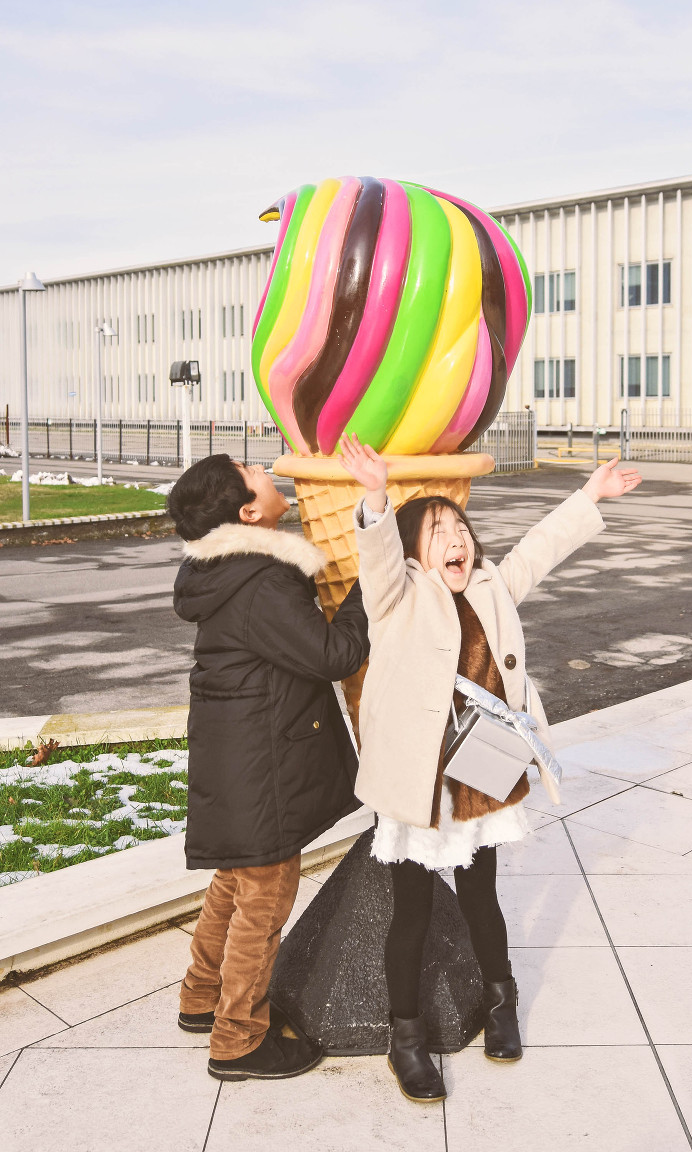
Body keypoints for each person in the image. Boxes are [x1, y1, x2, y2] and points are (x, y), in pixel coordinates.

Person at [339, 433, 641, 1103]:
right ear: (418, 547)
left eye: (462, 530)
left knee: (482, 898)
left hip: (483, 769)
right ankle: (406, 1039)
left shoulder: (490, 587)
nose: (457, 541)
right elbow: (379, 558)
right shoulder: (397, 597)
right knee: (411, 913)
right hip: (420, 780)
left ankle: (501, 1003)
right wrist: (376, 497)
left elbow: (540, 549)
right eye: (440, 532)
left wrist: (590, 494)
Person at [167, 454, 369, 1082]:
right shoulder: (260, 580)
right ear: (248, 511)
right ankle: (238, 1038)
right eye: (249, 471)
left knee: (237, 878)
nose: (261, 466)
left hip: (238, 753)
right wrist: (363, 587)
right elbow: (333, 654)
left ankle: (201, 997)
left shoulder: (227, 572)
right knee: (266, 891)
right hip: (262, 762)